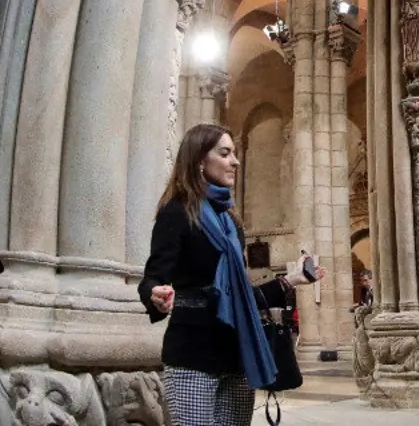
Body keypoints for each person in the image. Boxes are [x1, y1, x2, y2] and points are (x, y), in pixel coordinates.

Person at [139, 124, 324, 425]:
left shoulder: (231, 223)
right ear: (199, 160)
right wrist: (155, 295)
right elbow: (153, 277)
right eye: (225, 153)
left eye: (235, 154)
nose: (235, 162)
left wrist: (292, 280)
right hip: (192, 353)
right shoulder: (177, 213)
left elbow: (242, 297)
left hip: (236, 355)